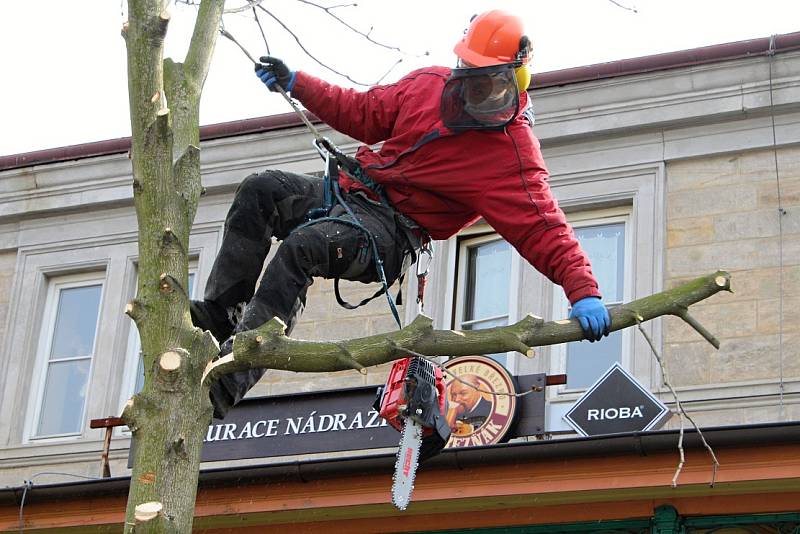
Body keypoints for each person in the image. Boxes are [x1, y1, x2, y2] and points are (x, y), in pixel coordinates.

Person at [192, 10, 611, 419]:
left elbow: (545, 228)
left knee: (306, 246)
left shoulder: (510, 155)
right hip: (353, 191)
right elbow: (362, 111)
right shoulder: (427, 85)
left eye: (486, 82)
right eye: (468, 75)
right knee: (260, 190)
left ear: (513, 80)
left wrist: (584, 291)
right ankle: (220, 316)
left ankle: (231, 375)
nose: (473, 91)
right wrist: (297, 83)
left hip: (394, 233)